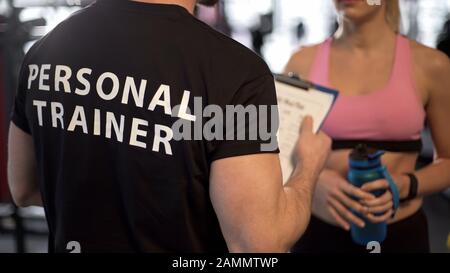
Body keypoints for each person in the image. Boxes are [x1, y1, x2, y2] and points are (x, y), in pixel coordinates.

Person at [7, 0, 331, 253]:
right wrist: (309, 166)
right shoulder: (236, 71)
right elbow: (259, 244)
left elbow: (23, 187)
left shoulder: (45, 52)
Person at [285, 0, 450, 253]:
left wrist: (404, 185)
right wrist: (313, 181)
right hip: (317, 234)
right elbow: (279, 152)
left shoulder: (432, 65)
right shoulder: (301, 62)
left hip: (400, 236)